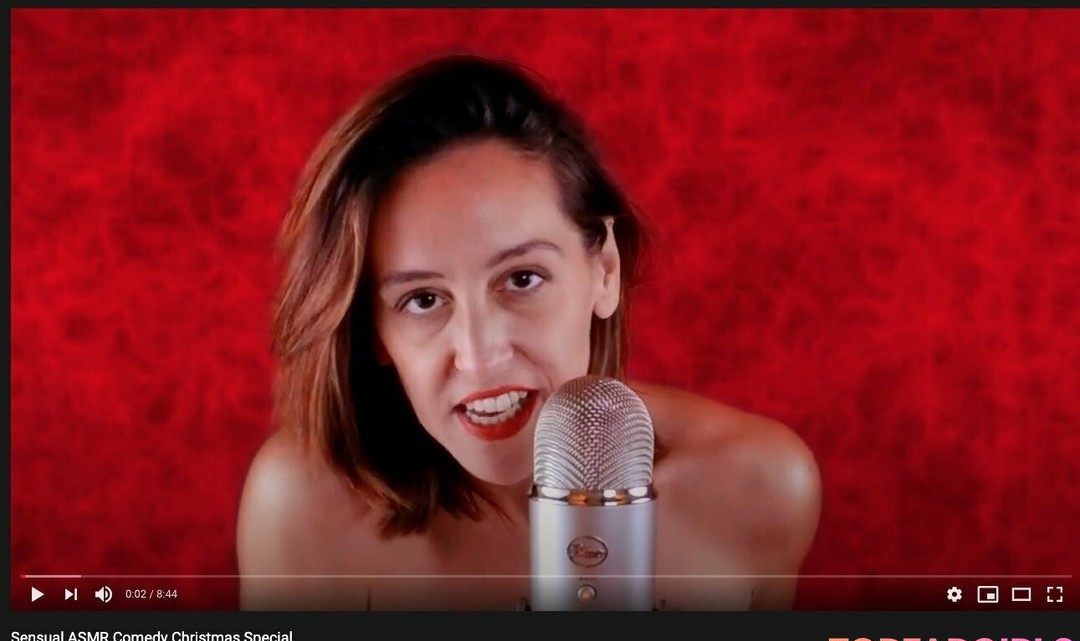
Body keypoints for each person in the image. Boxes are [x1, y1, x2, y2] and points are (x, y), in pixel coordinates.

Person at [236, 54, 821, 611]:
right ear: (374, 332)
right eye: (423, 300)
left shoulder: (757, 486)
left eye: (522, 278)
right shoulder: (305, 512)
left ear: (605, 270)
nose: (480, 356)